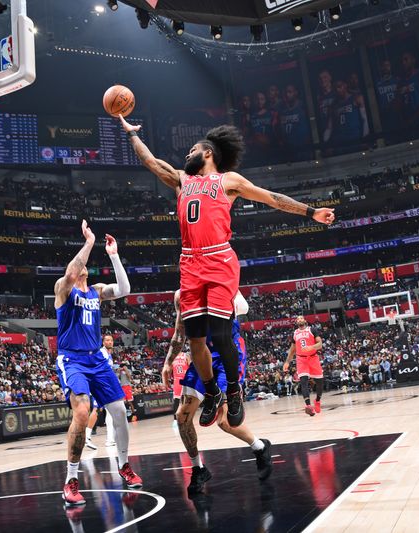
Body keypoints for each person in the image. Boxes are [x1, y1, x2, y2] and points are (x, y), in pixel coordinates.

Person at [120, 116, 334, 434]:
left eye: (193, 149)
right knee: (196, 343)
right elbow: (151, 162)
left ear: (208, 153)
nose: (186, 155)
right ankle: (214, 392)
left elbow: (271, 197)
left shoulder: (227, 181)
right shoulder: (181, 180)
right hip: (190, 263)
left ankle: (233, 390)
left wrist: (310, 211)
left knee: (220, 336)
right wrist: (132, 135)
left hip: (219, 259)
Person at [54, 221, 142, 507]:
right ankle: (71, 480)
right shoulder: (64, 289)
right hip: (73, 359)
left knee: (119, 411)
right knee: (81, 413)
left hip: (97, 359)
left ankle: (124, 465)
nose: (82, 266)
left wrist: (114, 255)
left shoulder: (96, 291)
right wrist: (89, 242)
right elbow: (69, 272)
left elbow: (125, 289)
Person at [162, 290, 272, 494]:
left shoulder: (222, 283)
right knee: (182, 417)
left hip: (227, 353)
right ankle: (198, 468)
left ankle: (260, 447)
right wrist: (168, 362)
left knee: (224, 421)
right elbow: (180, 333)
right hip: (201, 354)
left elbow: (244, 307)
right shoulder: (181, 295)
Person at [283, 316, 324, 416]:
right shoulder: (295, 333)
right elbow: (292, 350)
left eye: (301, 318)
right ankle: (308, 406)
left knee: (320, 383)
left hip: (313, 358)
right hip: (301, 359)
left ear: (305, 321)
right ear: (296, 322)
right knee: (303, 381)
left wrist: (311, 347)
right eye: (298, 319)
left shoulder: (312, 329)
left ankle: (317, 400)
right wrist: (287, 362)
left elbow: (320, 344)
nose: (300, 320)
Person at [85, 334, 118, 450]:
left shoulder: (109, 355)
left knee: (110, 412)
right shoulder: (101, 352)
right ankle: (87, 436)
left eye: (111, 340)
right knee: (96, 410)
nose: (110, 342)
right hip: (99, 385)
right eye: (107, 340)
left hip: (106, 386)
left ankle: (110, 439)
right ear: (103, 342)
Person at [170, 347, 190, 430]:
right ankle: (185, 419)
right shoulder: (186, 356)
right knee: (186, 400)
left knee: (177, 401)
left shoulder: (171, 358)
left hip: (177, 381)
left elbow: (169, 371)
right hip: (185, 380)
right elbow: (191, 366)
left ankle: (175, 420)